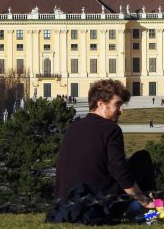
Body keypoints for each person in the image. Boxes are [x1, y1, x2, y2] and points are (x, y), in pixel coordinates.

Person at [55, 79, 156, 220]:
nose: (121, 110)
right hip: (99, 208)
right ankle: (150, 207)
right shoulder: (111, 129)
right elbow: (119, 170)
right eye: (117, 104)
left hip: (66, 208)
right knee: (142, 158)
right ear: (101, 103)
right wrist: (144, 201)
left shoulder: (74, 127)